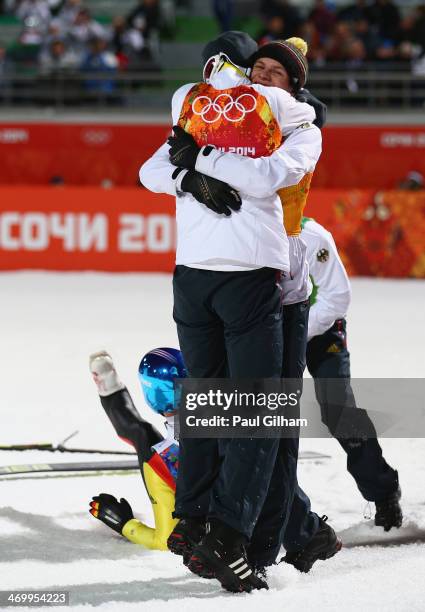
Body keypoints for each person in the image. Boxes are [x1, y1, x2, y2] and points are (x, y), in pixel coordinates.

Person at [140, 32, 329, 592]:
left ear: (293, 85)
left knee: (251, 417)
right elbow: (152, 171)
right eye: (256, 68)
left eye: (273, 71)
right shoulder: (212, 112)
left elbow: (269, 172)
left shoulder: (290, 122)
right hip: (233, 277)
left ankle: (252, 535)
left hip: (271, 283)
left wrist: (199, 158)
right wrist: (188, 175)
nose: (260, 77)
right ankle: (218, 530)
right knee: (245, 412)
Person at [300, 217, 402, 531]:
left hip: (321, 329)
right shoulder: (247, 224)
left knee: (339, 411)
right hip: (269, 335)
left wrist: (294, 329)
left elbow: (338, 298)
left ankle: (383, 492)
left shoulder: (312, 234)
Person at [88, 348, 184, 550]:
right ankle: (107, 381)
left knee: (141, 433)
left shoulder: (162, 464)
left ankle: (107, 381)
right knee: (142, 432)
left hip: (184, 480)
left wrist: (124, 524)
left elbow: (165, 541)